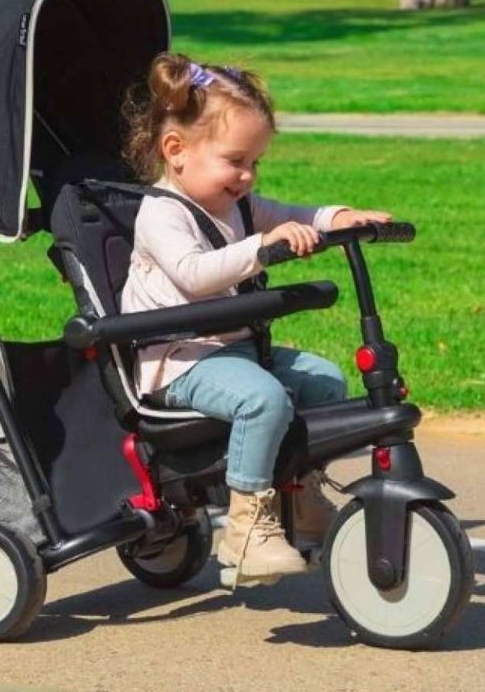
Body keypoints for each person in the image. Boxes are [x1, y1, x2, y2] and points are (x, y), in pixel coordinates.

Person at [119, 53, 392, 584]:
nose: (247, 176)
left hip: (233, 352)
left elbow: (293, 214)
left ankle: (299, 496)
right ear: (176, 151)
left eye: (255, 163)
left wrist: (338, 217)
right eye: (236, 160)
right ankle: (246, 527)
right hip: (180, 362)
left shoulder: (239, 205)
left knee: (325, 382)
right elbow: (194, 274)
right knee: (262, 399)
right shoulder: (162, 212)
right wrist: (261, 247)